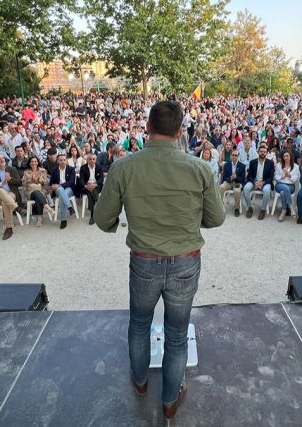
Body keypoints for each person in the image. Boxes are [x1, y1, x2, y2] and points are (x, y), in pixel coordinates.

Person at [94, 100, 225, 420]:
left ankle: (139, 383)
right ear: (180, 132)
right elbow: (216, 218)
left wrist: (115, 223)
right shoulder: (199, 167)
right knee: (177, 334)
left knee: (139, 324)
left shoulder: (124, 166)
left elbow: (102, 219)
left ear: (147, 127)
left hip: (143, 260)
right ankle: (169, 401)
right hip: (185, 260)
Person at [0, 154, 24, 239]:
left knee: (5, 202)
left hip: (11, 193)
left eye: (2, 158)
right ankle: (16, 208)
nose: (1, 160)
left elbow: (20, 182)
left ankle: (9, 228)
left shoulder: (12, 169)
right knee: (0, 190)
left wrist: (11, 179)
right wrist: (0, 184)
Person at [242, 144, 274, 220]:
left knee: (266, 190)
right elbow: (249, 175)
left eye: (264, 152)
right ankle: (250, 208)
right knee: (246, 188)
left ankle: (263, 210)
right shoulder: (253, 162)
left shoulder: (270, 163)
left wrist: (262, 183)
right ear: (258, 152)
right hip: (254, 181)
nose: (262, 153)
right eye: (261, 151)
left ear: (267, 153)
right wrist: (255, 183)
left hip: (265, 182)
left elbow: (271, 177)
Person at [50, 153, 76, 229]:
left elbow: (71, 182)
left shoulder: (71, 169)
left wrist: (59, 185)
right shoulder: (54, 170)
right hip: (58, 190)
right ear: (58, 161)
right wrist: (54, 186)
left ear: (66, 161)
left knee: (62, 197)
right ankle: (70, 207)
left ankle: (63, 220)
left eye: (64, 160)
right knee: (60, 190)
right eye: (61, 160)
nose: (63, 161)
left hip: (69, 188)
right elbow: (51, 182)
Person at [22, 156, 51, 226]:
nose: (34, 163)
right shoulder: (26, 172)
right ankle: (46, 206)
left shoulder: (43, 171)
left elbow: (46, 183)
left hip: (41, 190)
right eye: (32, 161)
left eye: (35, 161)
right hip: (30, 192)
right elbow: (23, 183)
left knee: (37, 194)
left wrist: (40, 180)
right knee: (36, 193)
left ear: (38, 162)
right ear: (29, 163)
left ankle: (40, 218)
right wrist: (30, 179)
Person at [274, 151, 300, 221]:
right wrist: (283, 176)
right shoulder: (278, 165)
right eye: (284, 156)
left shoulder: (296, 166)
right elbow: (276, 177)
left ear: (290, 157)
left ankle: (284, 210)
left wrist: (289, 175)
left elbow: (296, 178)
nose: (285, 157)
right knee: (284, 188)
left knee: (283, 192)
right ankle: (291, 207)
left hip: (290, 185)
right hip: (280, 184)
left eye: (287, 156)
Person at [219, 149, 246, 217]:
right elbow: (224, 177)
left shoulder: (242, 166)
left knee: (237, 190)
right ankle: (220, 206)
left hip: (237, 183)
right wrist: (230, 178)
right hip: (228, 182)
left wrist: (236, 177)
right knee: (221, 187)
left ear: (238, 156)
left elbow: (242, 179)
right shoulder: (227, 165)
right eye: (233, 155)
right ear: (231, 156)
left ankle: (236, 208)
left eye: (236, 155)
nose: (234, 157)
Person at [79, 153, 103, 225]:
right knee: (91, 192)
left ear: (95, 160)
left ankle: (92, 215)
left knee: (92, 192)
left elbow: (101, 179)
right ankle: (99, 207)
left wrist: (95, 184)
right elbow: (81, 179)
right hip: (86, 186)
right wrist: (86, 186)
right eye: (90, 159)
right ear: (87, 160)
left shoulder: (99, 167)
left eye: (93, 159)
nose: (92, 161)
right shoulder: (83, 168)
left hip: (96, 186)